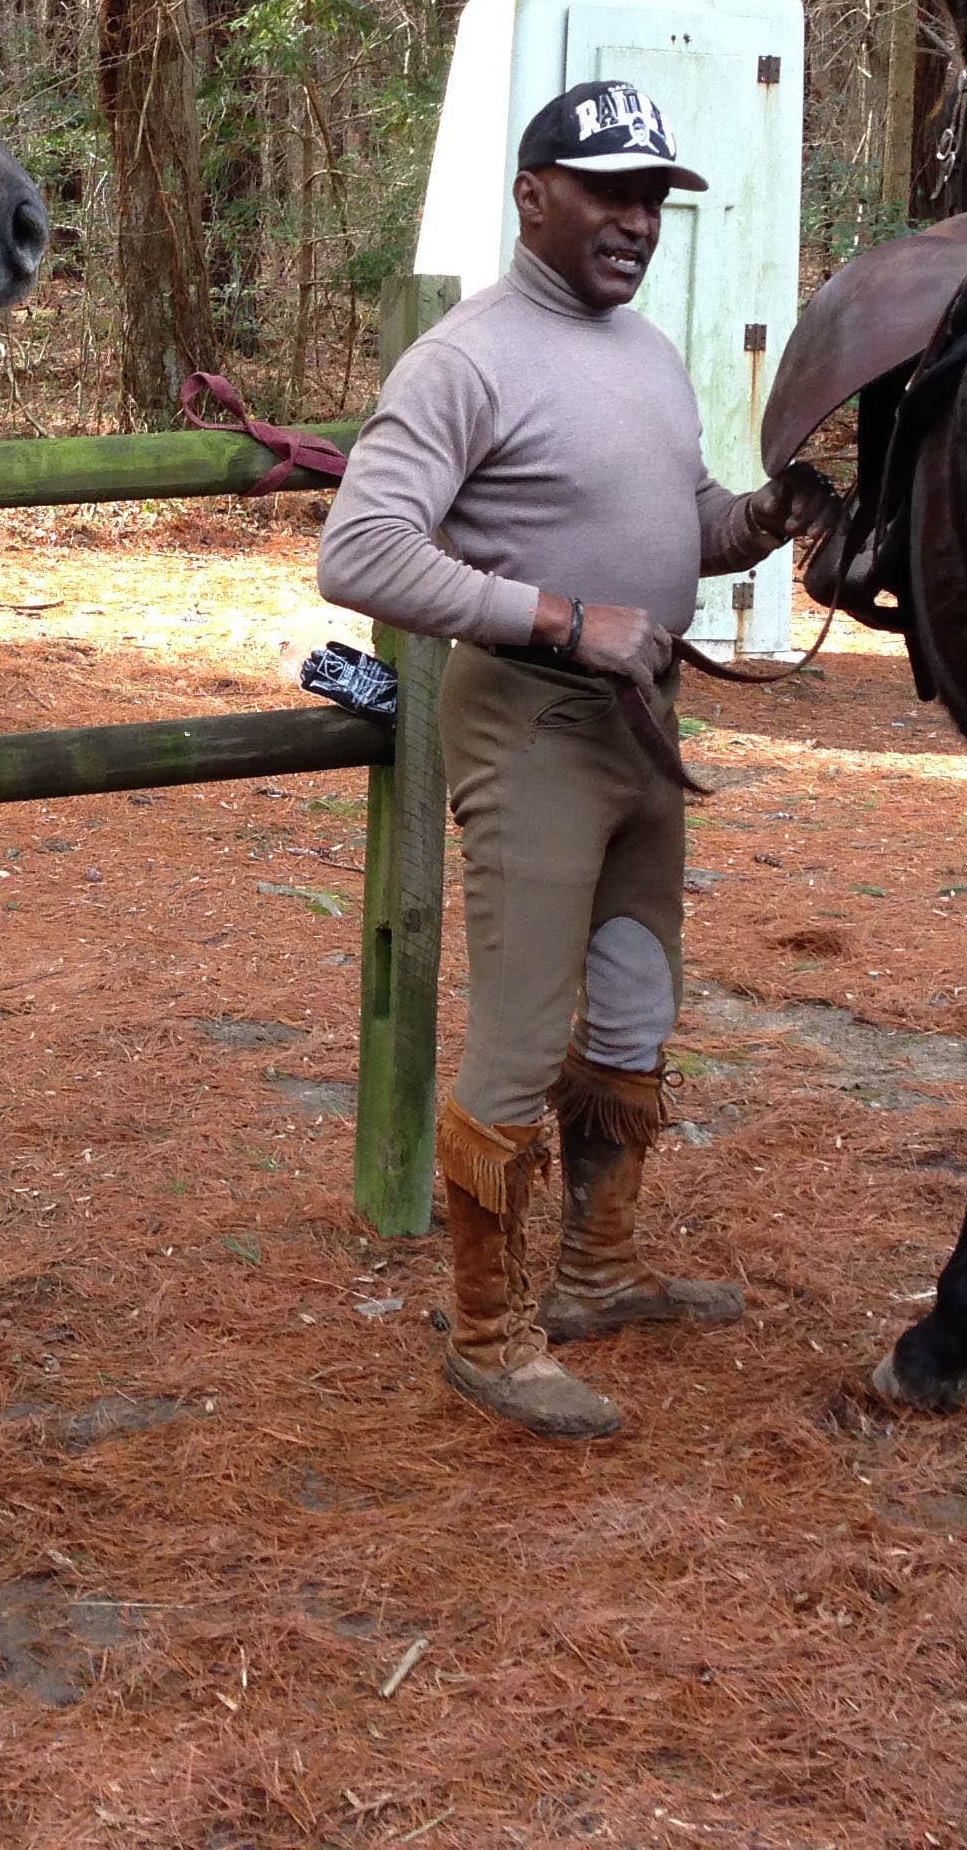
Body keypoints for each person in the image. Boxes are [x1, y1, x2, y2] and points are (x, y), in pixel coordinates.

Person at [316, 78, 831, 1440]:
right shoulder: (465, 360)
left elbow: (692, 528)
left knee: (633, 1007)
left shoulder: (648, 353)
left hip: (640, 725)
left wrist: (773, 514)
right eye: (610, 191)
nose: (638, 220)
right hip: (531, 722)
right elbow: (357, 552)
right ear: (532, 193)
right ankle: (488, 1335)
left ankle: (600, 1272)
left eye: (655, 197)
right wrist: (556, 617)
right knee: (522, 1039)